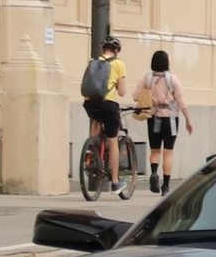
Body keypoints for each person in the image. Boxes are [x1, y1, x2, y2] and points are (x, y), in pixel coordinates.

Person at [135, 49, 192, 193]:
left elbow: (136, 97)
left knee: (155, 151)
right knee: (168, 153)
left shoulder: (146, 79)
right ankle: (165, 186)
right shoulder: (173, 79)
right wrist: (188, 119)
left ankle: (154, 172)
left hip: (154, 118)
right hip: (171, 119)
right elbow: (181, 101)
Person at [82, 36, 127, 155]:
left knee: (96, 119)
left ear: (103, 49)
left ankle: (91, 150)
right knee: (113, 141)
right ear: (116, 51)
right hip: (108, 103)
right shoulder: (118, 64)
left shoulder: (93, 62)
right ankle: (114, 174)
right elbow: (122, 92)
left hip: (89, 103)